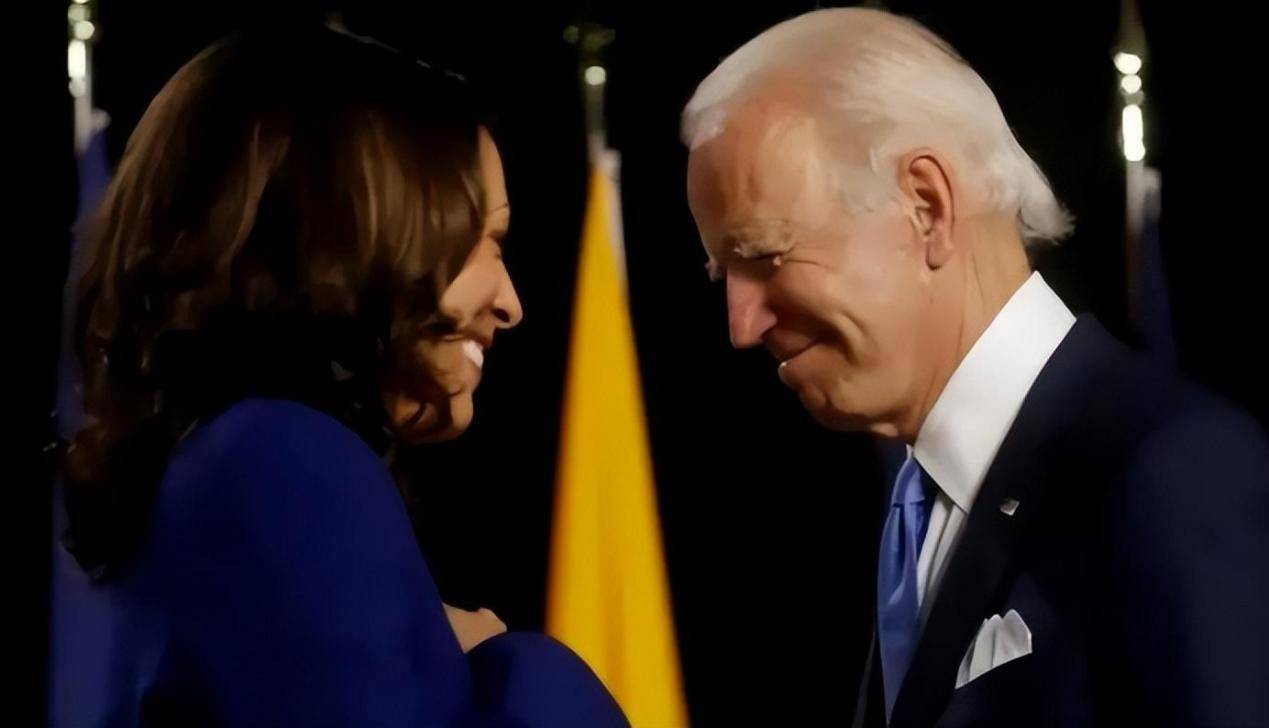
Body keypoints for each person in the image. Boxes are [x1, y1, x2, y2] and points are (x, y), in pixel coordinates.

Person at [682, 8, 1269, 727]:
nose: (741, 326)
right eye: (725, 275)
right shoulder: (917, 507)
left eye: (765, 254)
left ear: (926, 206)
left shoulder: (1170, 472)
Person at [50, 23, 627, 727]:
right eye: (487, 241)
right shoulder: (284, 457)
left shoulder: (221, 461)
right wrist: (508, 663)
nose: (511, 303)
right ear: (354, 231)